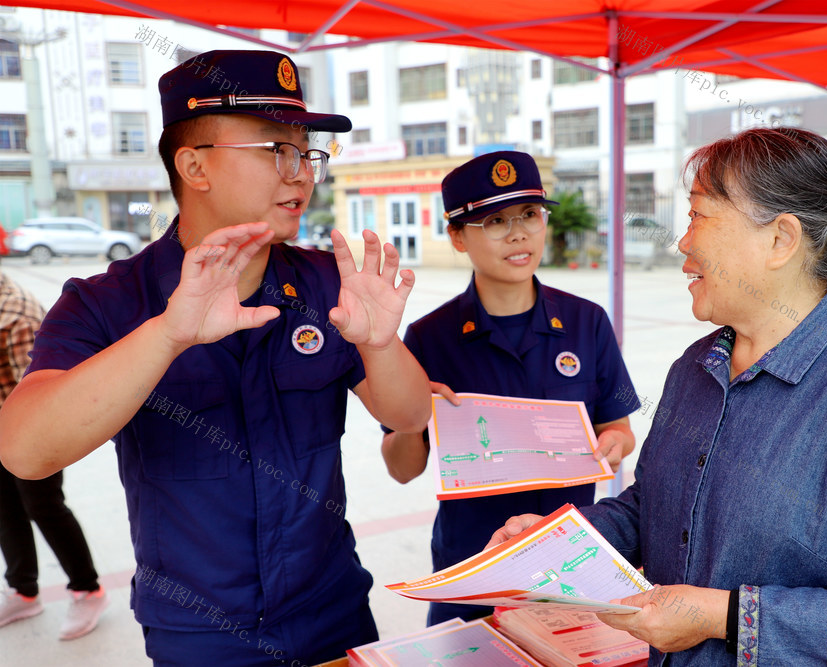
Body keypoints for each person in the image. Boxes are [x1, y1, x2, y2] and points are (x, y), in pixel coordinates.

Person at [0, 50, 431, 666]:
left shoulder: (327, 282)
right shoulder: (107, 302)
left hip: (333, 609)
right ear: (194, 165)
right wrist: (167, 335)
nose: (302, 175)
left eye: (306, 153)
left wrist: (380, 344)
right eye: (276, 150)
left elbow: (410, 416)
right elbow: (24, 450)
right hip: (201, 634)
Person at [488, 128, 827, 665]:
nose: (683, 243)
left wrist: (722, 617)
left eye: (698, 215)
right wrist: (560, 540)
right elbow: (653, 507)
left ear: (780, 240)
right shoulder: (696, 367)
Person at [381, 151, 640, 625]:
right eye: (495, 221)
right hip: (473, 569)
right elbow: (401, 469)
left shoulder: (587, 322)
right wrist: (415, 417)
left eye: (530, 214)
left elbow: (620, 430)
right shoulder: (428, 338)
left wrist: (613, 446)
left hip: (568, 566)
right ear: (457, 236)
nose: (519, 233)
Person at [0, 271, 109, 640]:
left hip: (30, 432)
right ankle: (23, 591)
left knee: (44, 506)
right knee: (5, 507)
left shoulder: (16, 315)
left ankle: (88, 589)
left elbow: (36, 397)